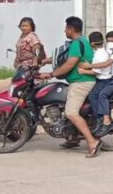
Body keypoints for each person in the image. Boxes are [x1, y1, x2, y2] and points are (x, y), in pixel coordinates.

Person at [41, 16, 101, 158]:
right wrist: (45, 61)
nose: (64, 31)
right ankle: (72, 137)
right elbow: (62, 57)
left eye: (66, 28)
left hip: (82, 82)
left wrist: (51, 74)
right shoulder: (82, 41)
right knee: (64, 106)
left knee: (71, 112)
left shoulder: (76, 44)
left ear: (71, 29)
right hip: (80, 80)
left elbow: (69, 64)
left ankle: (92, 142)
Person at [78, 30, 113, 137]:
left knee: (101, 95)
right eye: (108, 41)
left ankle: (104, 121)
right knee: (93, 96)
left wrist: (86, 68)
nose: (110, 43)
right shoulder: (109, 52)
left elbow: (105, 64)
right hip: (111, 79)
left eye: (112, 41)